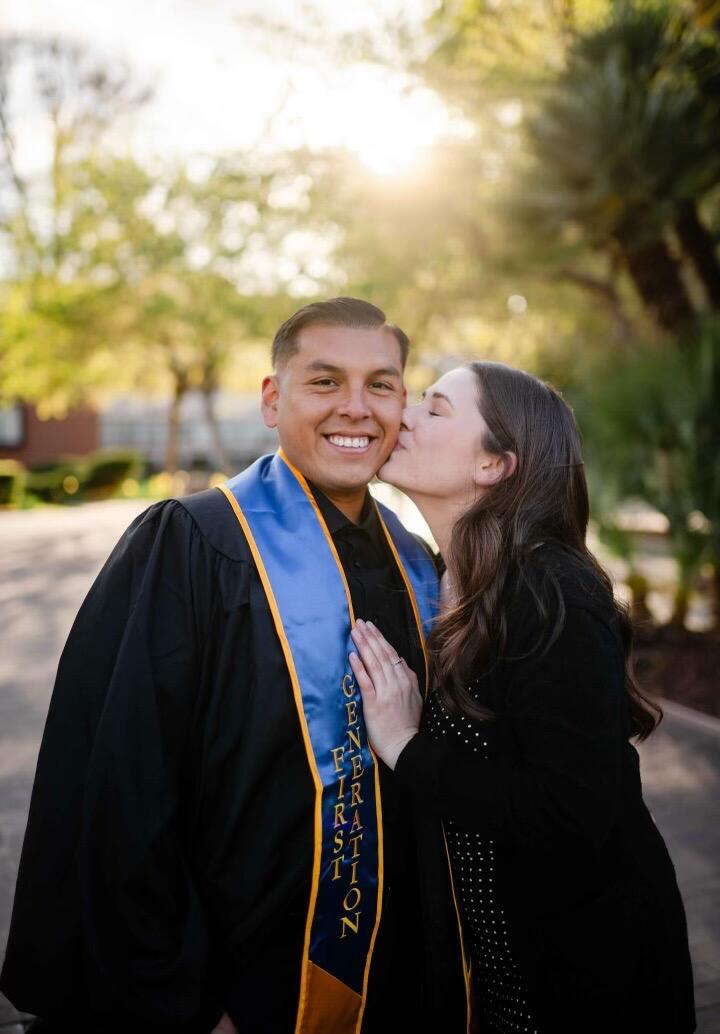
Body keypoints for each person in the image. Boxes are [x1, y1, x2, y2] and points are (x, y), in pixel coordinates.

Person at [0, 298, 443, 1034]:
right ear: (273, 400)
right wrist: (184, 997)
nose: (356, 409)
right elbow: (125, 784)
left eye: (382, 385)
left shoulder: (417, 563)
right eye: (325, 382)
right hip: (238, 987)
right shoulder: (193, 546)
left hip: (398, 982)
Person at [348, 361, 696, 1034]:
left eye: (437, 409)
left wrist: (405, 746)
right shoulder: (438, 580)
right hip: (501, 979)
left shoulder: (550, 593)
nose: (406, 415)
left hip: (589, 979)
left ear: (493, 465)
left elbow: (569, 817)